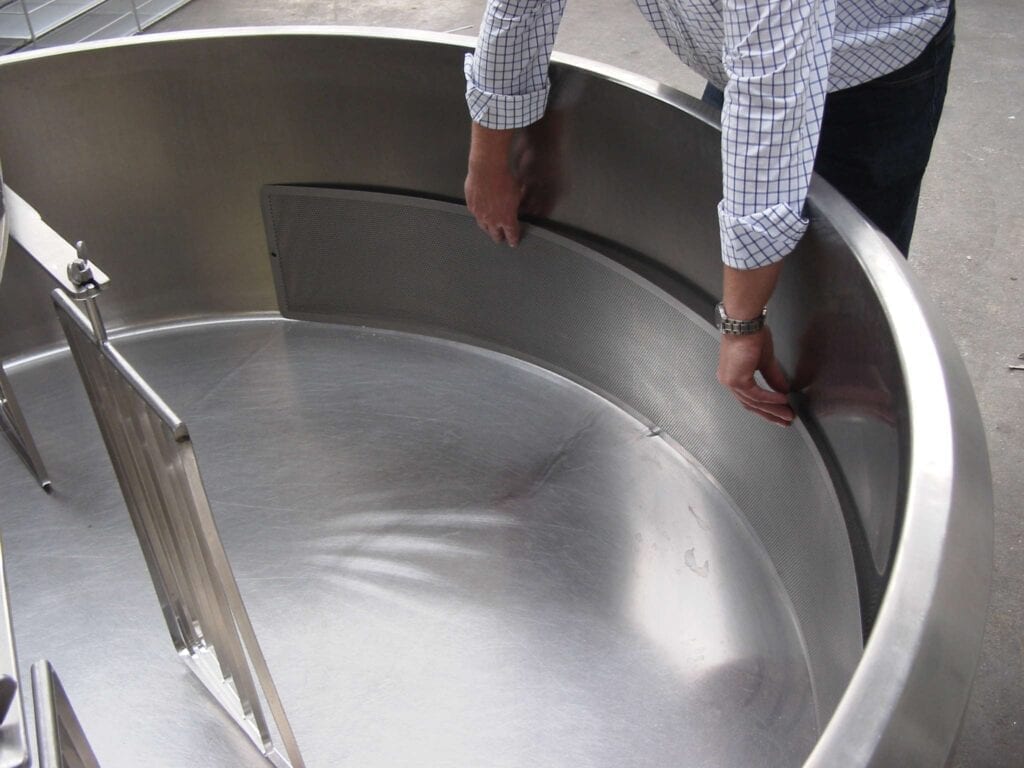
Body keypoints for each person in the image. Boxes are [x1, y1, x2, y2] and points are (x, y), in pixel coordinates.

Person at [463, 0, 954, 426]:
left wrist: (741, 323)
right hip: (743, 50)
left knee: (842, 322)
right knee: (732, 287)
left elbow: (770, 102)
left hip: (870, 64)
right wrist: (489, 157)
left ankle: (851, 431)